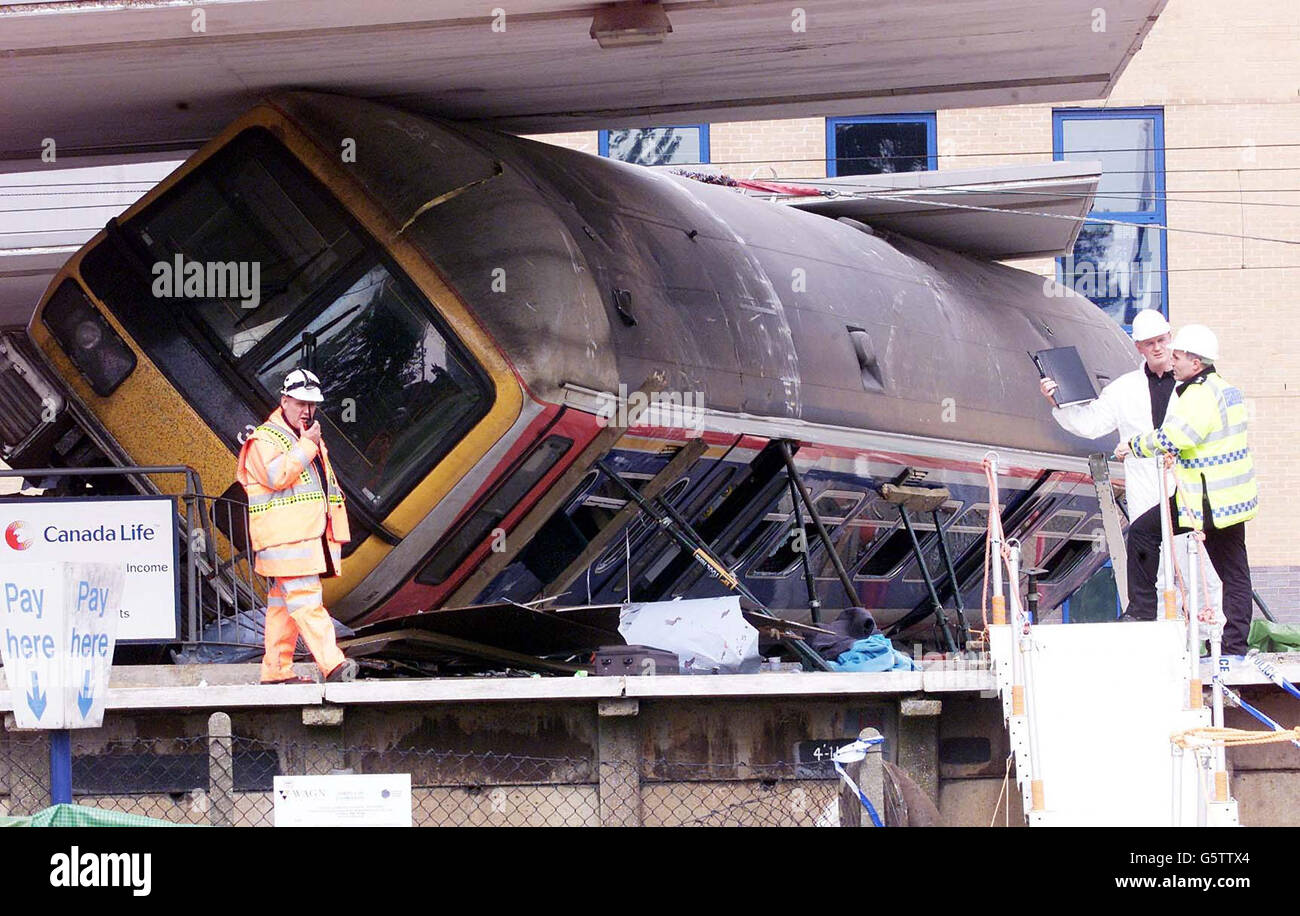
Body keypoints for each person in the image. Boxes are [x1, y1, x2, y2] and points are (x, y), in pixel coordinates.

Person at [1115, 325, 1258, 655]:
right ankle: (1236, 645)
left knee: (1142, 533)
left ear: (1196, 362)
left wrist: (1132, 446)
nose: (1172, 361)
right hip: (1230, 500)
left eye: (1177, 357)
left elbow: (1174, 437)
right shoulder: (1225, 389)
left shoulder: (1197, 394)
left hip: (1203, 500)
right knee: (1234, 573)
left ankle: (1140, 611)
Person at [1039, 308, 1177, 620]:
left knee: (1191, 556)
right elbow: (1092, 423)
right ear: (1138, 347)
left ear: (1170, 338)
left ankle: (1209, 636)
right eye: (1149, 342)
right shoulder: (1124, 390)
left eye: (1161, 340)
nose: (1157, 347)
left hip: (1185, 482)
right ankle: (1149, 620)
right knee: (1149, 553)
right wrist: (1056, 402)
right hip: (1145, 484)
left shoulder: (1191, 384)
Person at [237, 368, 358, 684]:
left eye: (312, 405)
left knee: (283, 607)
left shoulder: (301, 436)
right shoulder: (265, 439)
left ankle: (276, 672)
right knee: (306, 601)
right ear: (285, 400)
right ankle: (333, 665)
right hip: (285, 540)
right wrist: (307, 446)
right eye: (301, 403)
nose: (307, 411)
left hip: (299, 538)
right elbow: (277, 477)